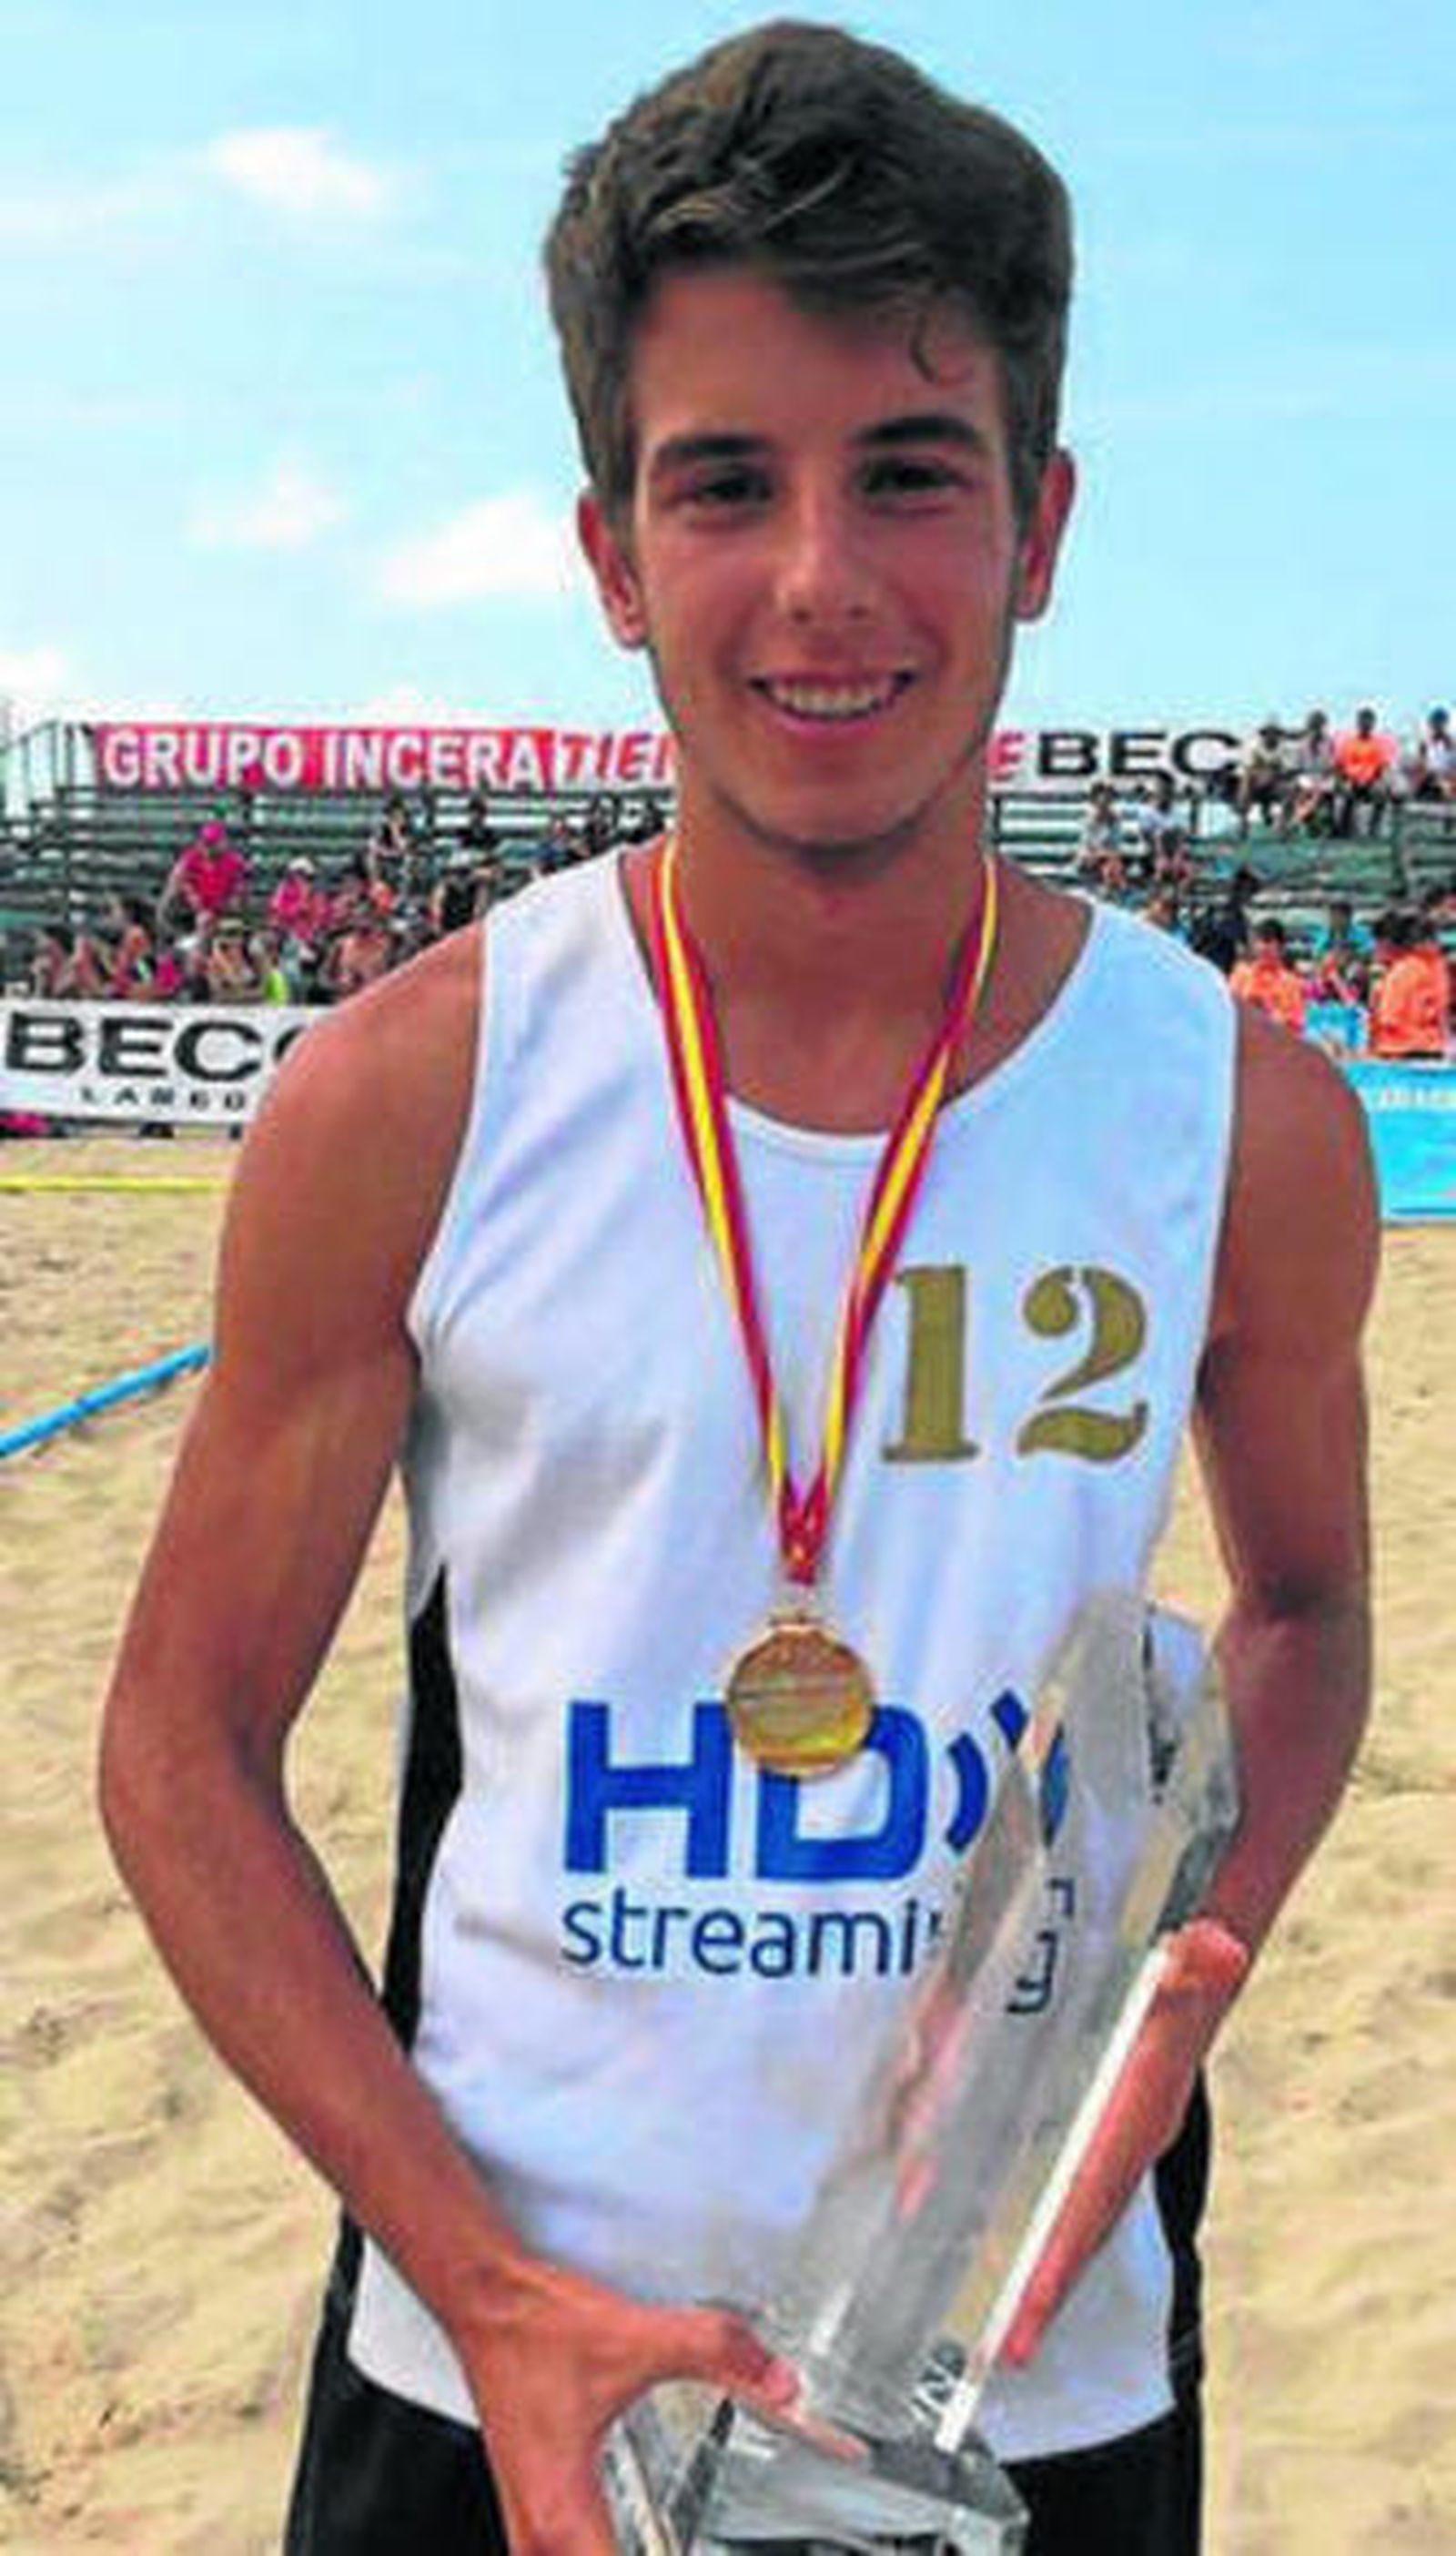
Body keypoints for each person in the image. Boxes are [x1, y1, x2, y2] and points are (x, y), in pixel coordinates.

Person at [99, 25, 1377, 2556]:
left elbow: (1310, 1610)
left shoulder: (1234, 1112)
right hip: (506, 2379)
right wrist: (478, 2284)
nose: (821, 580)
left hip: (1039, 2367)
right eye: (725, 485)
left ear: (1043, 525)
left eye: (911, 472)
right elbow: (178, 1749)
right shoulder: (410, 1095)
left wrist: (1183, 1944)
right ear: (608, 553)